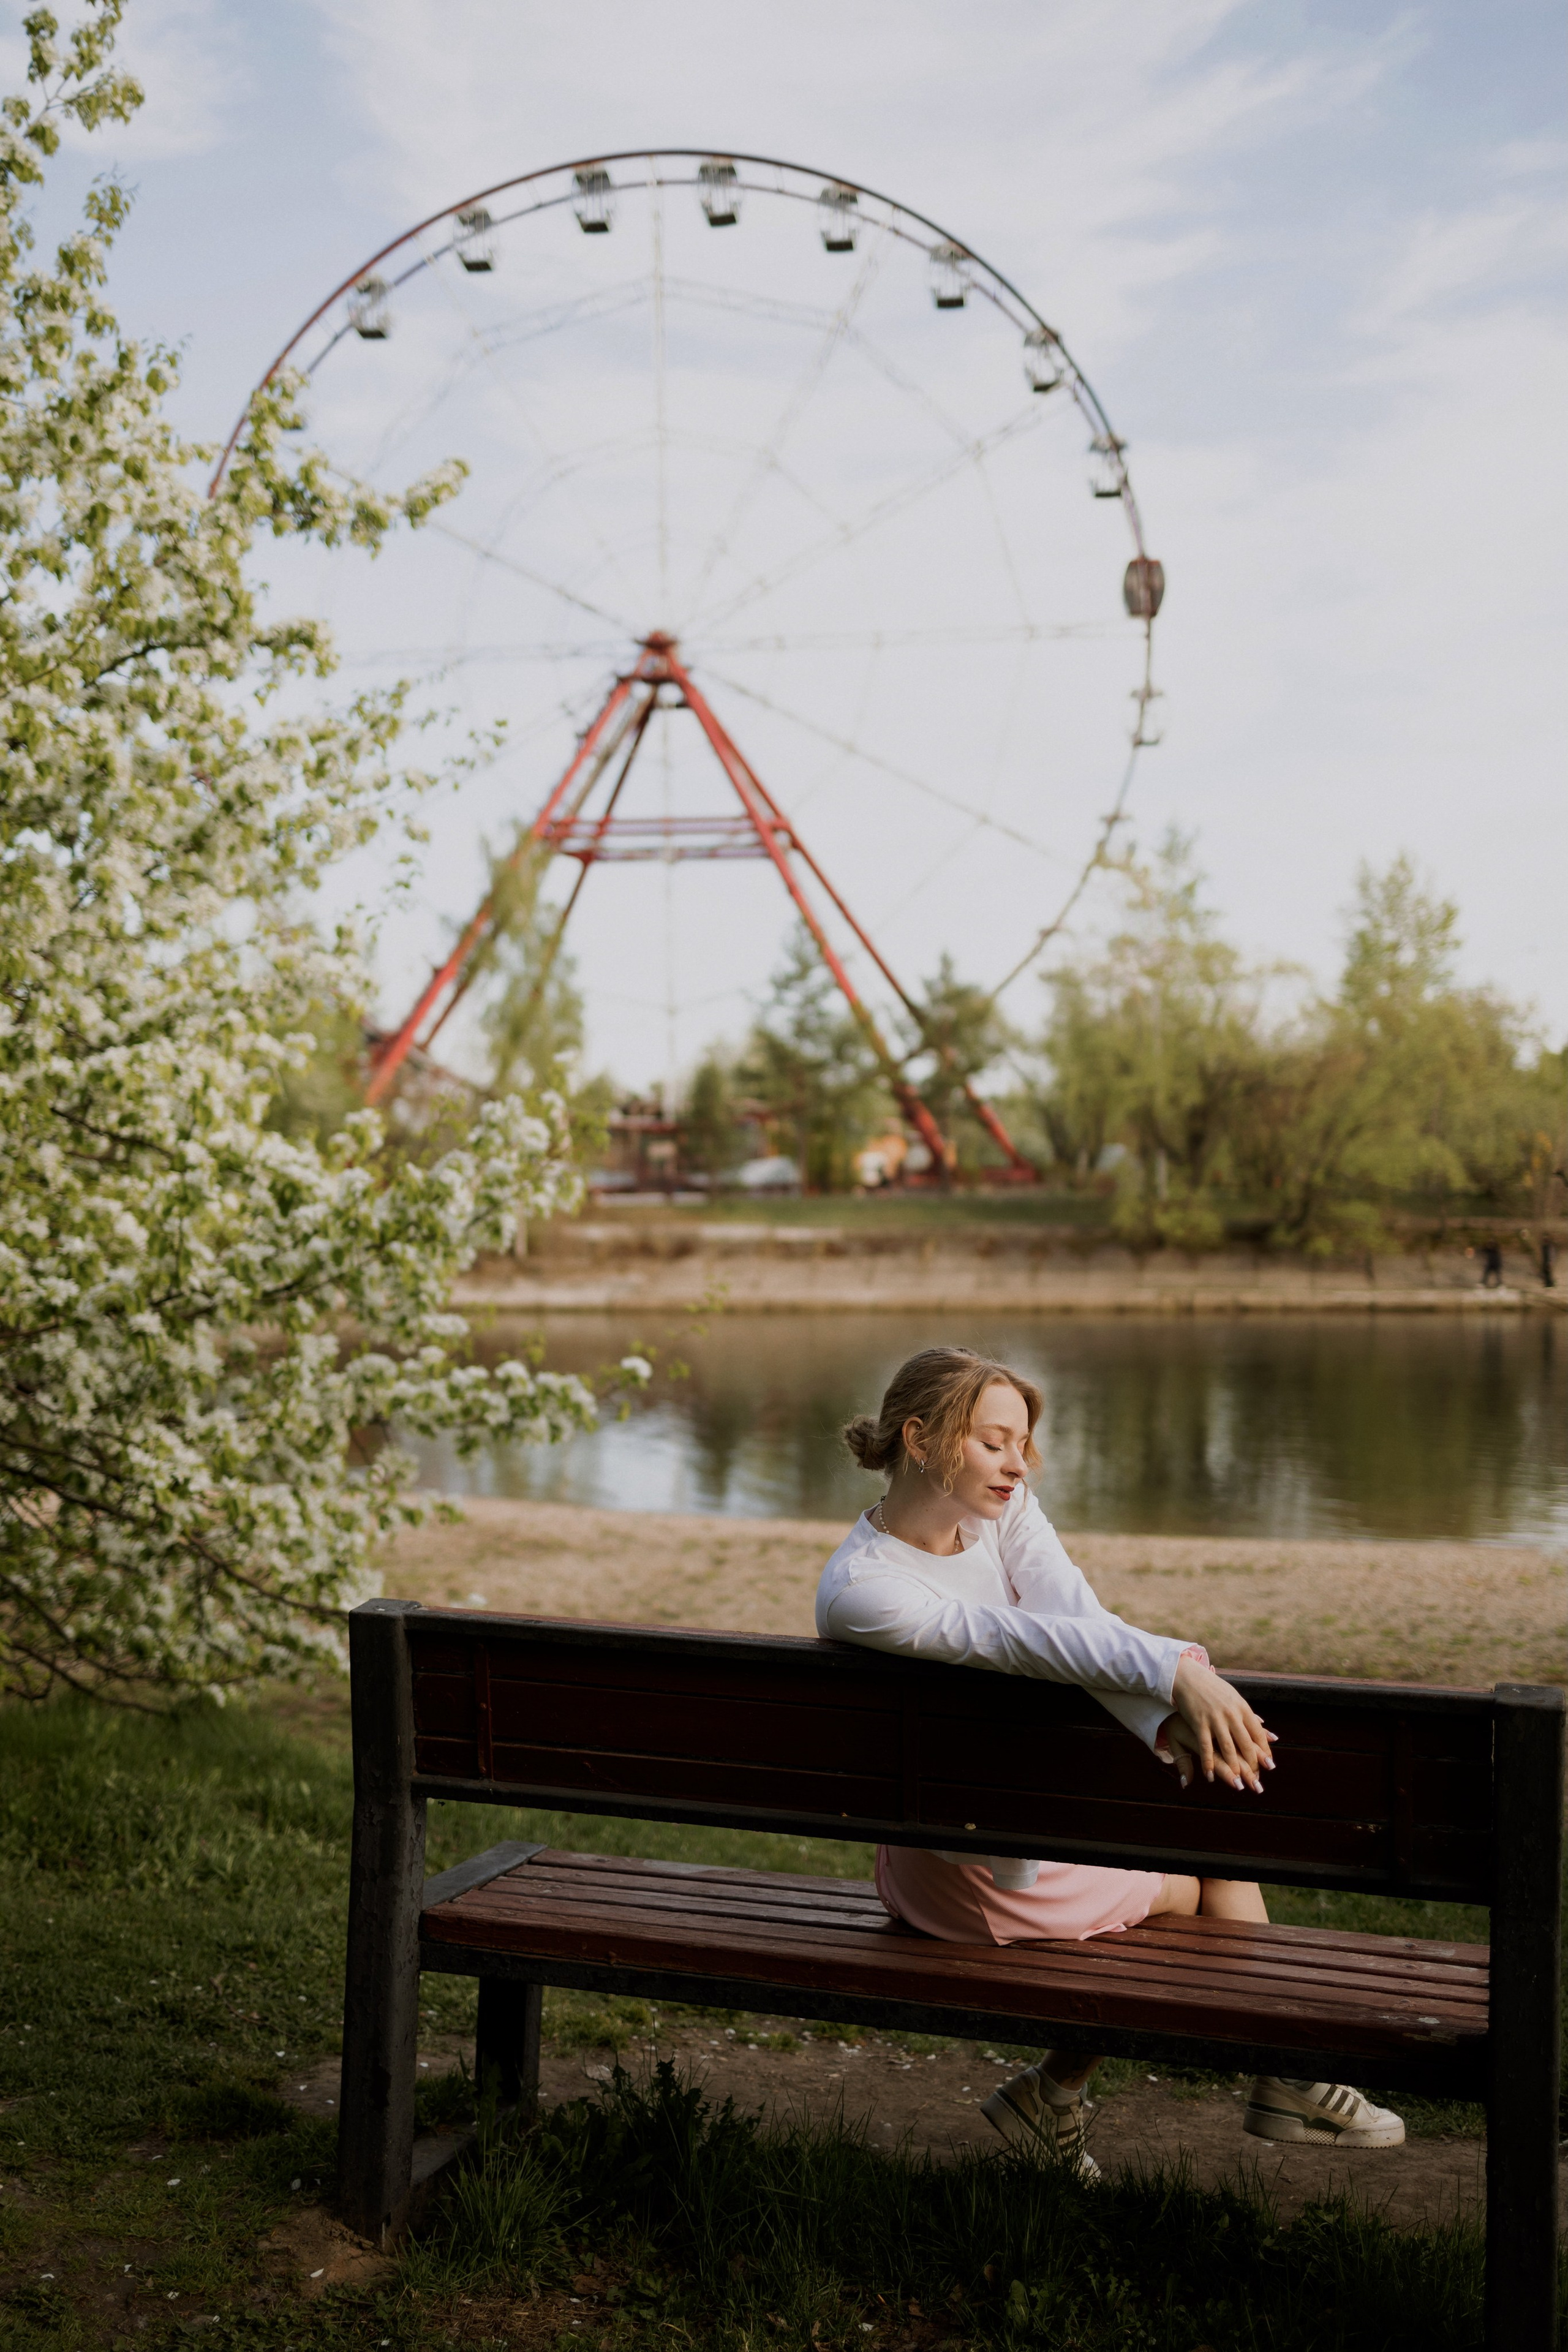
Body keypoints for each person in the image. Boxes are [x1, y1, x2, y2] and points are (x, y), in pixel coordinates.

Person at [815, 1344, 1404, 2176]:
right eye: (993, 1442)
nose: (1017, 1465)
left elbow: (1075, 1620)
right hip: (968, 1875)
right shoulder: (865, 1592)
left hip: (964, 1838)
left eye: (1022, 1444)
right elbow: (1024, 1642)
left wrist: (1171, 1711)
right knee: (1212, 1868)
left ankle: (1061, 2099)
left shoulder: (1001, 1513)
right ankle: (1289, 2077)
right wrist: (1173, 1673)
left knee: (1197, 1840)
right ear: (920, 1437)